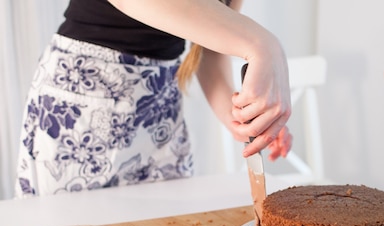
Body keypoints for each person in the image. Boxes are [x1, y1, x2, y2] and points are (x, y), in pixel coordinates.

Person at [14, 0, 292, 197]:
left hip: (160, 106)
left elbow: (209, 50)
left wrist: (245, 119)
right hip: (81, 103)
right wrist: (263, 44)